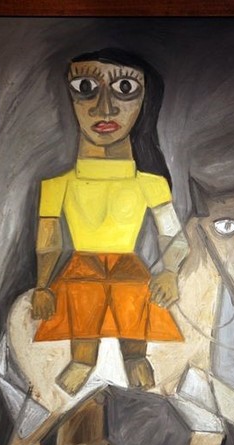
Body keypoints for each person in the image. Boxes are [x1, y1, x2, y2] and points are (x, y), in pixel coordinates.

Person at [31, 48, 188, 395]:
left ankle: (134, 356)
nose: (105, 109)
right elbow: (49, 241)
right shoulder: (57, 185)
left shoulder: (151, 184)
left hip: (129, 272)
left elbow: (173, 235)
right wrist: (43, 286)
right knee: (82, 290)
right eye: (85, 87)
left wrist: (170, 270)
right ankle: (82, 359)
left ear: (145, 101)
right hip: (80, 274)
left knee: (133, 292)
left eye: (125, 89)